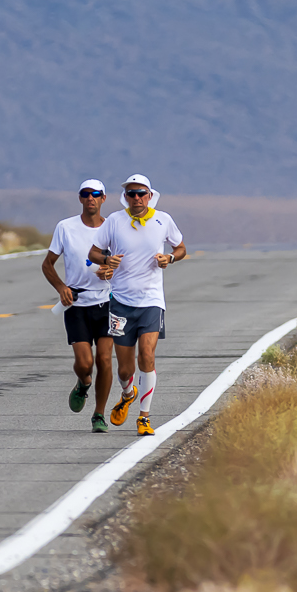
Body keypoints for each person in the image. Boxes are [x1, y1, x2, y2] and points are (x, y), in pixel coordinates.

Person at [87, 174, 187, 437]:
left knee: (147, 356)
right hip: (121, 303)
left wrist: (170, 258)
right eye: (132, 194)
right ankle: (127, 393)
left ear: (150, 195)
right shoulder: (114, 222)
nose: (137, 198)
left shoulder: (163, 219)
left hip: (152, 301)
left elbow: (181, 247)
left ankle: (144, 417)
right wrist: (108, 259)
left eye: (141, 193)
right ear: (126, 197)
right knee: (124, 369)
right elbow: (93, 253)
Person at [41, 179, 118, 431]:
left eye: (96, 194)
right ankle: (83, 383)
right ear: (80, 198)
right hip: (76, 304)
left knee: (104, 360)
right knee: (85, 364)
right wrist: (62, 288)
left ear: (104, 199)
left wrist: (110, 271)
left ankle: (99, 414)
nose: (90, 199)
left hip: (107, 302)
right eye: (86, 194)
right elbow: (47, 264)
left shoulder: (113, 229)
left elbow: (126, 264)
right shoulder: (66, 227)